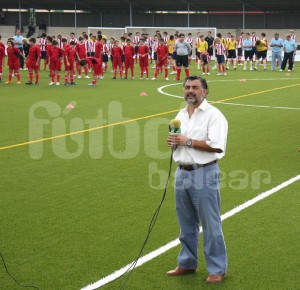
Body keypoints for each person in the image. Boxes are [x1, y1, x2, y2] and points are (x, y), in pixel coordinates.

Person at [166, 75, 228, 284]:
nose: (190, 91)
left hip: (204, 173)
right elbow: (181, 141)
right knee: (185, 223)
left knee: (210, 223)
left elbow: (217, 146)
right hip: (182, 172)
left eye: (195, 87)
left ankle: (217, 269)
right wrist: (175, 142)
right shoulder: (181, 114)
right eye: (187, 87)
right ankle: (187, 263)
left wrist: (187, 141)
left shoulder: (214, 115)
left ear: (205, 91)